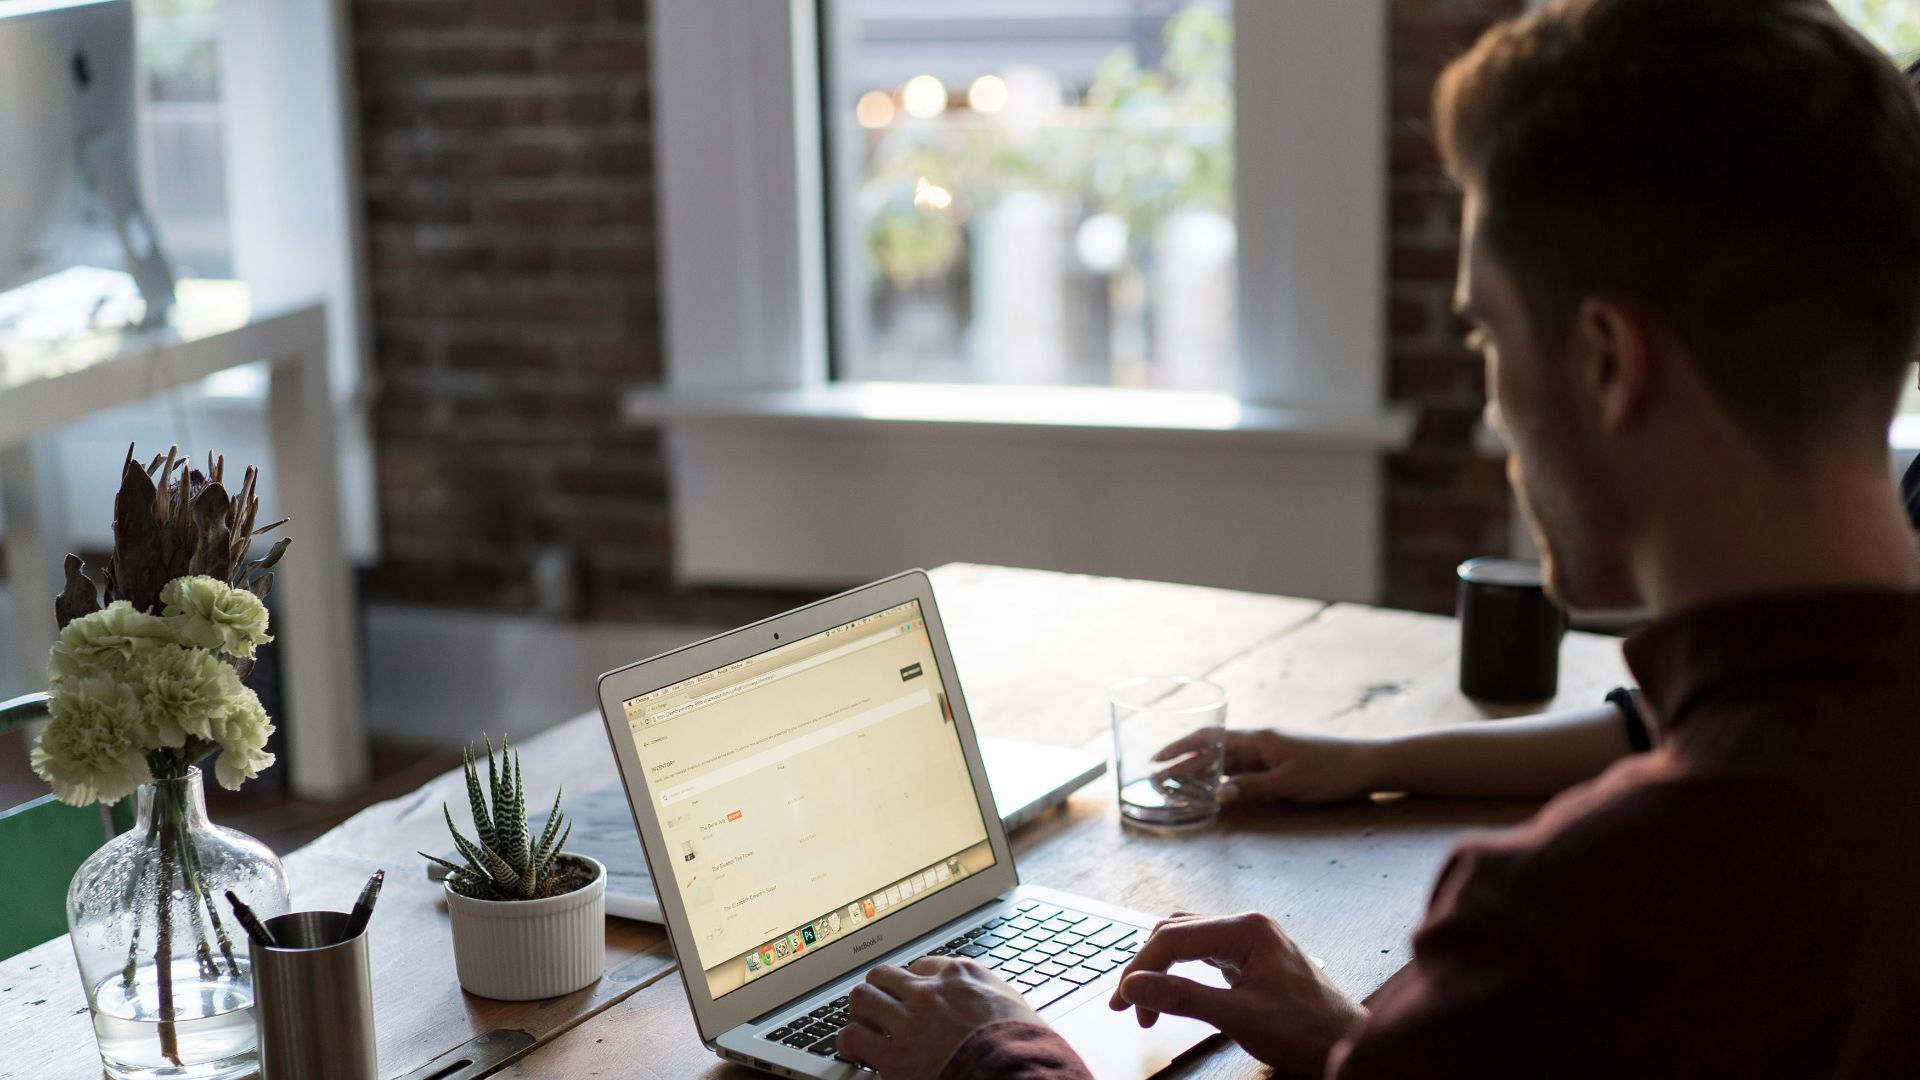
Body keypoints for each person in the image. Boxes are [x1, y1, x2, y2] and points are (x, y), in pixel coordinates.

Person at [838, 1, 1920, 1076]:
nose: (1494, 416)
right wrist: (1370, 1050)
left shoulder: (1583, 918)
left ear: (1604, 364)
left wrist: (991, 1053)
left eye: (1489, 331)